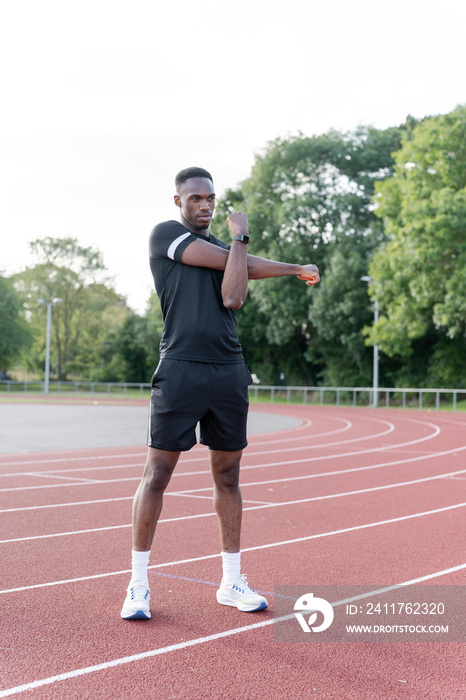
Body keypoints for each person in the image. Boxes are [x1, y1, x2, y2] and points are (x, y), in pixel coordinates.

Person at [121, 167, 320, 620]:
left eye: (210, 198)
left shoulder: (225, 250)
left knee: (228, 476)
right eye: (195, 198)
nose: (205, 205)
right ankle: (138, 584)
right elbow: (236, 276)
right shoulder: (167, 236)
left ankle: (231, 580)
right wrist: (269, 254)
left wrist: (277, 263)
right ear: (178, 202)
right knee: (157, 474)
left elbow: (235, 289)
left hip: (229, 369)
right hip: (180, 367)